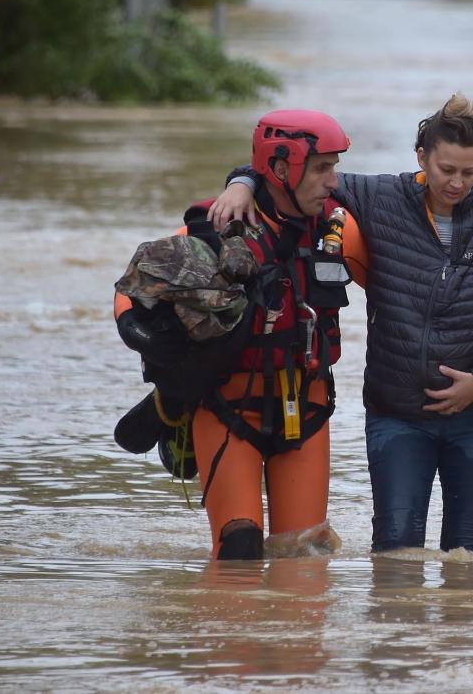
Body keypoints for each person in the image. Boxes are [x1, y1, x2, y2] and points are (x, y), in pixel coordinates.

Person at [209, 95, 473, 553]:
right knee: (395, 558)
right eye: (447, 169)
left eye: (469, 172)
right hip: (398, 417)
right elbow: (294, 174)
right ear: (421, 158)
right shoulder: (378, 199)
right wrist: (241, 183)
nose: (457, 183)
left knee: (470, 562)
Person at [114, 109, 359, 560]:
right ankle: (226, 630)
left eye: (334, 168)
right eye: (322, 167)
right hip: (228, 410)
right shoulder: (217, 223)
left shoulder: (341, 227)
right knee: (238, 548)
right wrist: (136, 331)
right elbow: (135, 285)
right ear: (282, 168)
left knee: (303, 557)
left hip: (306, 411)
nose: (332, 181)